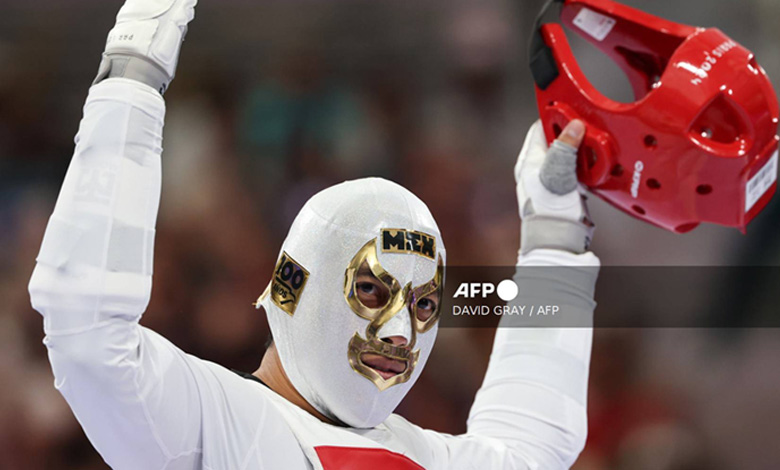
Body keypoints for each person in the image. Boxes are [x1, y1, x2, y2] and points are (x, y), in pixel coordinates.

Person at [29, 1, 600, 468]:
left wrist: (556, 236)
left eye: (425, 305)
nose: (400, 332)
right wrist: (131, 78)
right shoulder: (219, 423)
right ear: (289, 288)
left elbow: (530, 452)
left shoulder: (430, 456)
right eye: (373, 292)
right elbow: (88, 335)